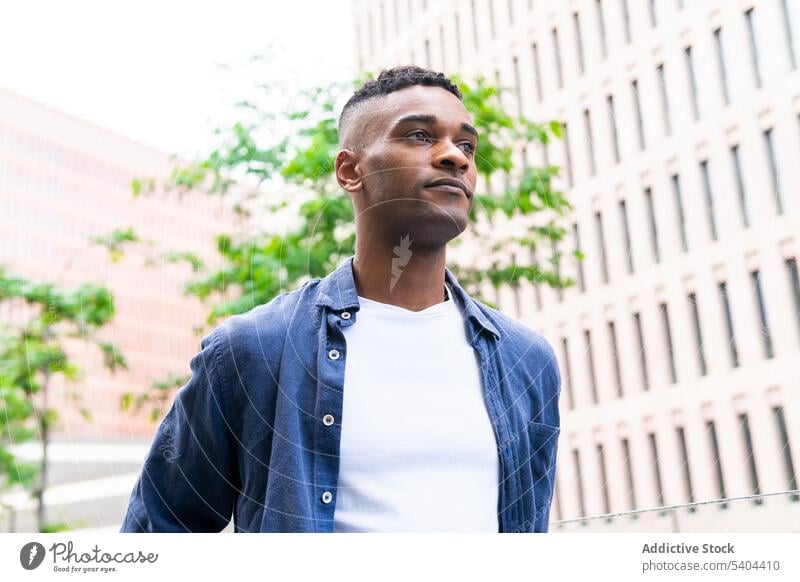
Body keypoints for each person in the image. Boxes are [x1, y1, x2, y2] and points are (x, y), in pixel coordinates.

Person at [120, 65, 561, 533]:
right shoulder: (258, 349)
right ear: (351, 171)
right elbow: (160, 532)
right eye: (418, 136)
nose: (455, 156)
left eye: (467, 145)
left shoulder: (526, 360)